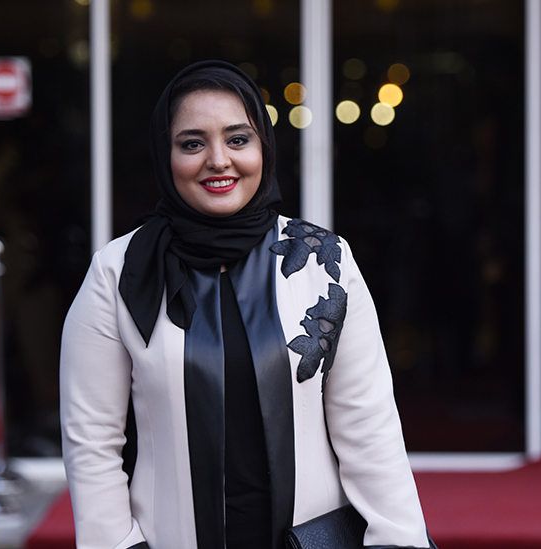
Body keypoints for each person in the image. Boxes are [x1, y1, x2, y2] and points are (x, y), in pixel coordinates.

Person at [60, 60, 433, 549]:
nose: (218, 160)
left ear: (265, 149)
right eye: (192, 144)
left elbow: (370, 429)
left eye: (238, 139)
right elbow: (92, 442)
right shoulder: (119, 272)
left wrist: (399, 540)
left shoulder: (324, 261)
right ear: (164, 155)